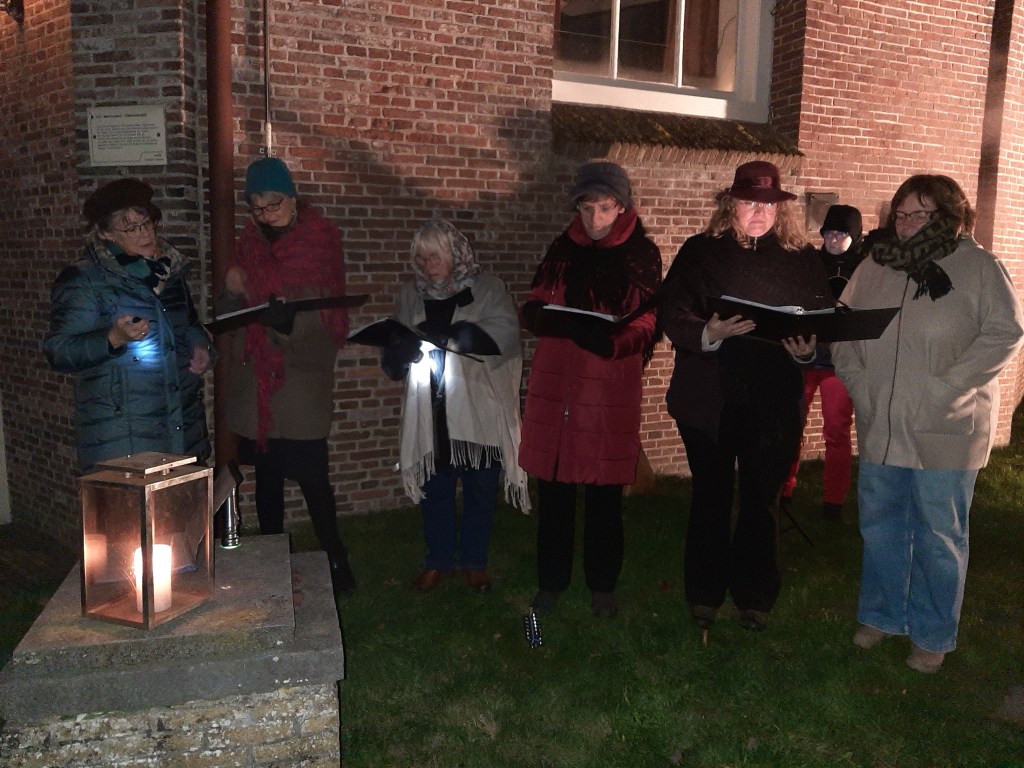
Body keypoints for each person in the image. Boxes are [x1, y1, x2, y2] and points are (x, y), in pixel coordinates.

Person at [832, 175, 1023, 673]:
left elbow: (1005, 333)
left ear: (949, 216)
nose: (908, 223)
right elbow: (843, 328)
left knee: (940, 535)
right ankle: (882, 615)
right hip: (882, 422)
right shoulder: (875, 265)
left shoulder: (979, 267)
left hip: (947, 426)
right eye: (901, 214)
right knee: (881, 525)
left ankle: (933, 632)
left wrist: (948, 388)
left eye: (921, 213)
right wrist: (861, 386)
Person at [661, 160, 832, 632]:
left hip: (772, 399)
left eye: (768, 205)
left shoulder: (801, 259)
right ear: (730, 204)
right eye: (749, 203)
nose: (759, 212)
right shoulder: (701, 252)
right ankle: (704, 593)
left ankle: (754, 596)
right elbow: (673, 311)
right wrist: (708, 332)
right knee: (710, 496)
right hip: (710, 396)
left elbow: (823, 323)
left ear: (781, 209)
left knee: (761, 500)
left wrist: (808, 351)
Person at [519, 161, 661, 619]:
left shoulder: (640, 255)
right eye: (586, 208)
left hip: (605, 387)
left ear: (621, 206)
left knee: (603, 495)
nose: (595, 218)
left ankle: (602, 585)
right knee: (555, 492)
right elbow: (536, 299)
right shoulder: (563, 249)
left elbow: (647, 321)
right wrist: (540, 316)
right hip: (557, 384)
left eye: (604, 207)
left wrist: (611, 342)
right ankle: (551, 582)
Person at [219, 157, 356, 596]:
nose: (264, 214)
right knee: (267, 478)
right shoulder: (247, 245)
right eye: (256, 207)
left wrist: (284, 321)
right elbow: (228, 312)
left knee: (314, 479)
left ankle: (336, 558)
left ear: (293, 198)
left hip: (299, 380)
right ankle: (271, 561)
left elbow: (328, 315)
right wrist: (233, 292)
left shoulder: (319, 241)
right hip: (256, 386)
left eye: (272, 204)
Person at [379, 218, 529, 594]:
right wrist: (397, 352)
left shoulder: (487, 289)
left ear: (456, 255)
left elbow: (507, 334)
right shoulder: (411, 295)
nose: (427, 264)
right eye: (421, 258)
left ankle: (475, 562)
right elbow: (396, 339)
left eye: (435, 256)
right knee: (435, 487)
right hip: (429, 407)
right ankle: (439, 560)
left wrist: (461, 336)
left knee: (480, 488)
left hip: (477, 406)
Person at [44, 178, 214, 472]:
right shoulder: (85, 280)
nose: (145, 233)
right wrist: (113, 338)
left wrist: (202, 346)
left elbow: (188, 325)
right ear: (106, 233)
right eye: (131, 228)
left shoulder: (169, 273)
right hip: (123, 438)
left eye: (147, 223)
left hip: (181, 428)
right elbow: (58, 351)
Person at [780, 204, 865, 521]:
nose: (833, 239)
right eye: (829, 232)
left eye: (841, 233)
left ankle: (833, 500)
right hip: (805, 357)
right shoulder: (811, 264)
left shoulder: (864, 269)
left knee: (837, 431)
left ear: (854, 236)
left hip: (838, 362)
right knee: (791, 426)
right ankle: (783, 489)